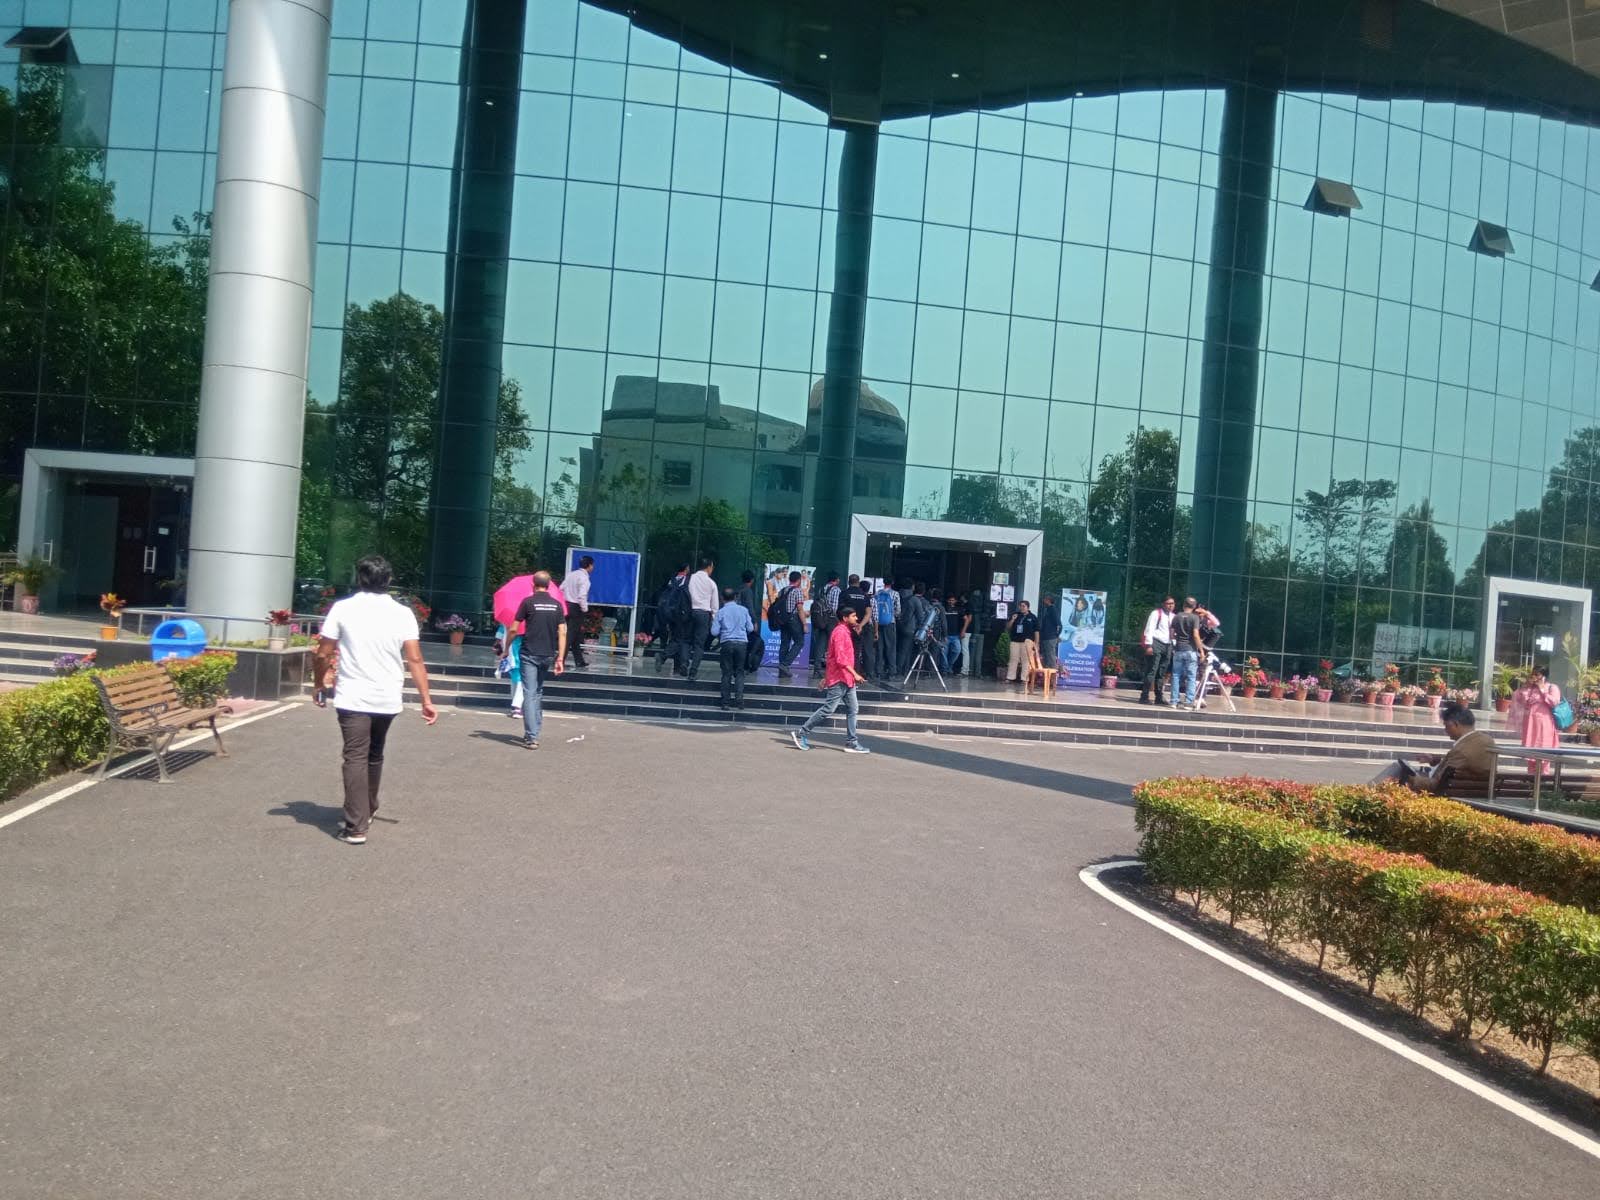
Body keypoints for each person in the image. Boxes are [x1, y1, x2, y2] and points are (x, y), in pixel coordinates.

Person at [312, 555, 437, 845]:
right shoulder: (402, 613)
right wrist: (426, 699)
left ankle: (356, 826)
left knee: (355, 756)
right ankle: (367, 808)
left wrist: (319, 683)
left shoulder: (343, 608)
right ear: (389, 580)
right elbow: (415, 659)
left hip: (353, 695)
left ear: (359, 579)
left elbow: (323, 652)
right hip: (387, 695)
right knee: (374, 752)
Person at [791, 606, 870, 753]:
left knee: (853, 709)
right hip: (840, 678)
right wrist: (855, 674)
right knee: (828, 709)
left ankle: (852, 742)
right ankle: (801, 732)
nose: (857, 618)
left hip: (846, 679)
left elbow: (832, 657)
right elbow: (840, 659)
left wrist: (827, 677)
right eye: (853, 616)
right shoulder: (840, 632)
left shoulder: (845, 632)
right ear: (845, 618)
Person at [1373, 702, 1497, 792]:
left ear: (1455, 724)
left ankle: (1369, 793)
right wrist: (1434, 760)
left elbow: (1437, 785)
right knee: (1402, 769)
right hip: (1470, 786)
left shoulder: (1461, 750)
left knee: (1398, 769)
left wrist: (1411, 779)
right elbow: (1461, 764)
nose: (1445, 730)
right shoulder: (1486, 739)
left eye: (1446, 726)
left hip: (1449, 790)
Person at [512, 570, 567, 748]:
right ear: (549, 585)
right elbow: (562, 632)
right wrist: (560, 658)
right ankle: (534, 730)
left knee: (529, 692)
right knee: (537, 691)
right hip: (548, 654)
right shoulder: (556, 605)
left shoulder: (527, 602)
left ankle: (531, 736)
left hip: (529, 652)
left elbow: (513, 629)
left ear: (533, 584)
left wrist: (505, 648)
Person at [1508, 666, 1561, 775]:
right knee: (1531, 755)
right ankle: (1530, 779)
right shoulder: (1530, 688)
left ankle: (1543, 780)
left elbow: (1554, 702)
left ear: (1544, 676)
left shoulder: (1552, 687)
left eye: (1537, 674)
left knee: (1544, 756)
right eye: (1533, 674)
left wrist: (1542, 690)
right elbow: (1519, 700)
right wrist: (1526, 687)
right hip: (1530, 725)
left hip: (1544, 725)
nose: (1534, 677)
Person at [712, 586, 754, 710]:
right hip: (742, 644)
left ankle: (725, 702)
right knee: (740, 671)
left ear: (722, 598)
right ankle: (739, 699)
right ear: (735, 597)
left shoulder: (721, 612)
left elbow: (714, 632)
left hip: (727, 643)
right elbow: (750, 628)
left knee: (726, 673)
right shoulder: (744, 610)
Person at [1168, 597, 1205, 709]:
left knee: (1175, 675)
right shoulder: (1195, 618)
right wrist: (1201, 651)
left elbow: (1171, 634)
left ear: (1184, 605)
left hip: (1178, 649)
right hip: (1191, 649)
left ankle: (1174, 701)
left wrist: (1178, 639)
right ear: (1194, 607)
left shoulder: (1176, 617)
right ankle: (1188, 702)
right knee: (1191, 676)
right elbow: (1195, 635)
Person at [685, 556, 718, 679]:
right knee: (699, 645)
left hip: (690, 612)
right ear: (709, 567)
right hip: (704, 615)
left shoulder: (690, 579)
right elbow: (714, 606)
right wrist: (714, 619)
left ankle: (684, 664)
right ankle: (693, 671)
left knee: (686, 641)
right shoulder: (711, 583)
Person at [1140, 596, 1176, 706]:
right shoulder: (1156, 614)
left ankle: (1159, 697)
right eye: (1168, 603)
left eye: (1172, 603)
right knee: (1152, 670)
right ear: (1163, 604)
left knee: (1162, 672)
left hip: (1168, 645)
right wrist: (1149, 645)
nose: (1170, 605)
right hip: (1156, 643)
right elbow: (1149, 629)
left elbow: (1174, 633)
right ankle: (1144, 696)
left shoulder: (1174, 616)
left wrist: (1174, 645)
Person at [654, 565, 690, 674]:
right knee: (681, 640)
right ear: (686, 569)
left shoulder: (672, 580)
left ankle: (678, 667)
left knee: (676, 638)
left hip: (670, 613)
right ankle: (663, 657)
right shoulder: (686, 580)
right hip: (681, 614)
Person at [562, 554, 593, 669]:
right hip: (576, 608)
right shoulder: (584, 578)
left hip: (567, 605)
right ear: (589, 565)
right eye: (592, 565)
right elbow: (582, 595)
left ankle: (579, 660)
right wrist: (584, 608)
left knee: (575, 634)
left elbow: (561, 588)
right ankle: (560, 659)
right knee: (570, 635)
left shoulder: (571, 574)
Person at [776, 570, 807, 677]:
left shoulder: (782, 591)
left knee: (784, 643)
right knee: (799, 642)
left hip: (782, 619)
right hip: (793, 619)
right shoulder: (797, 591)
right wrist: (804, 624)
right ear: (799, 580)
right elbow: (800, 609)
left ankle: (782, 670)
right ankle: (785, 665)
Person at [810, 571, 841, 675]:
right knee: (834, 644)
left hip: (821, 619)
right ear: (836, 579)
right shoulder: (836, 589)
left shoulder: (822, 589)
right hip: (831, 619)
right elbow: (834, 607)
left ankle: (817, 669)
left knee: (821, 644)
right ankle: (833, 668)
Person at [493, 621, 522, 719]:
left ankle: (516, 705)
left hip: (513, 652)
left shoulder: (507, 619)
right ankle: (517, 706)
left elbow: (500, 634)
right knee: (518, 679)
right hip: (515, 652)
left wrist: (497, 643)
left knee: (517, 679)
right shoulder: (522, 619)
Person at [1004, 600, 1038, 683]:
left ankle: (1024, 679)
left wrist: (1036, 643)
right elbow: (1008, 627)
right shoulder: (1016, 615)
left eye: (1023, 606)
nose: (1021, 608)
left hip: (1027, 642)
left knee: (1025, 660)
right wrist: (1012, 619)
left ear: (1028, 607)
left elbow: (1036, 631)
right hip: (1015, 640)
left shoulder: (1033, 617)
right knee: (1013, 659)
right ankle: (1010, 677)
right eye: (1020, 606)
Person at [736, 569, 764, 673]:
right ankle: (746, 665)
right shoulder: (747, 591)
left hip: (737, 620)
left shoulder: (738, 589)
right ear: (752, 580)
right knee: (751, 643)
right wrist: (754, 621)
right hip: (746, 620)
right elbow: (750, 607)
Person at [872, 578, 900, 679]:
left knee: (879, 648)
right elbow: (898, 610)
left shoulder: (877, 593)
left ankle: (878, 671)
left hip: (878, 623)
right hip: (890, 623)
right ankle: (891, 672)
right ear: (892, 582)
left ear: (884, 583)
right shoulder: (895, 594)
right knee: (891, 648)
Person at [896, 579, 917, 677]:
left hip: (897, 625)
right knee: (906, 650)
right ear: (912, 587)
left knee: (899, 648)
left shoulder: (898, 595)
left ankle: (898, 669)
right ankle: (901, 670)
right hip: (909, 627)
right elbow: (920, 616)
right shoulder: (914, 599)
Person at [1038, 594, 1062, 670]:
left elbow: (1058, 623)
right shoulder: (1047, 609)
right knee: (1046, 656)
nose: (1043, 601)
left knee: (1050, 656)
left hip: (1050, 637)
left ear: (1049, 600)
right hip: (1045, 637)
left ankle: (1053, 674)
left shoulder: (1053, 609)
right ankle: (1046, 673)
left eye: (1045, 599)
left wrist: (1056, 635)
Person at [943, 595, 963, 673]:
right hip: (946, 635)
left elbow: (966, 618)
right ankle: (945, 669)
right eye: (950, 600)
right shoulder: (944, 609)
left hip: (955, 635)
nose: (951, 602)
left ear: (955, 601)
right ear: (947, 601)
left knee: (957, 650)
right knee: (944, 653)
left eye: (953, 600)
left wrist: (963, 630)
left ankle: (949, 665)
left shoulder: (958, 610)